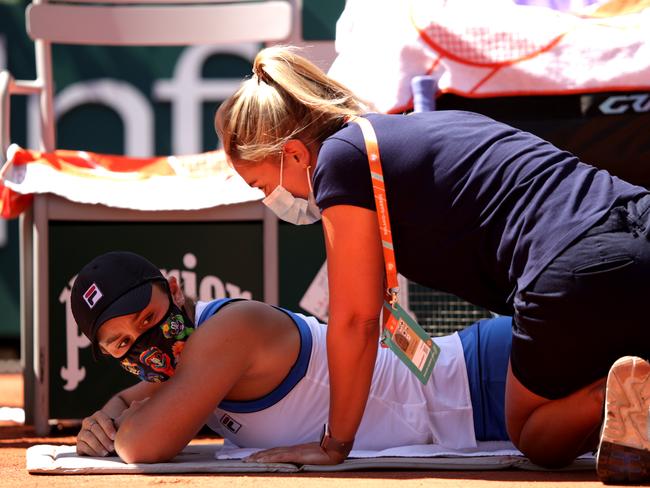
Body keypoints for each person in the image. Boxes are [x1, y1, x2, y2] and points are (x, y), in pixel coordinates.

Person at [213, 45, 650, 481]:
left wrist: (335, 443)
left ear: (294, 154)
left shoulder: (338, 159)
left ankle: (618, 394)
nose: (270, 200)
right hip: (638, 222)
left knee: (535, 435)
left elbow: (356, 320)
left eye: (261, 184)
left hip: (571, 267)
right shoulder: (423, 127)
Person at [70, 251, 513, 463]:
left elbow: (140, 445)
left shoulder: (227, 331)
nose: (146, 342)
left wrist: (118, 431)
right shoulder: (185, 358)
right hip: (472, 398)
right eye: (124, 344)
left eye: (148, 317)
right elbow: (130, 402)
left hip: (483, 381)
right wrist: (105, 418)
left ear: (175, 290)